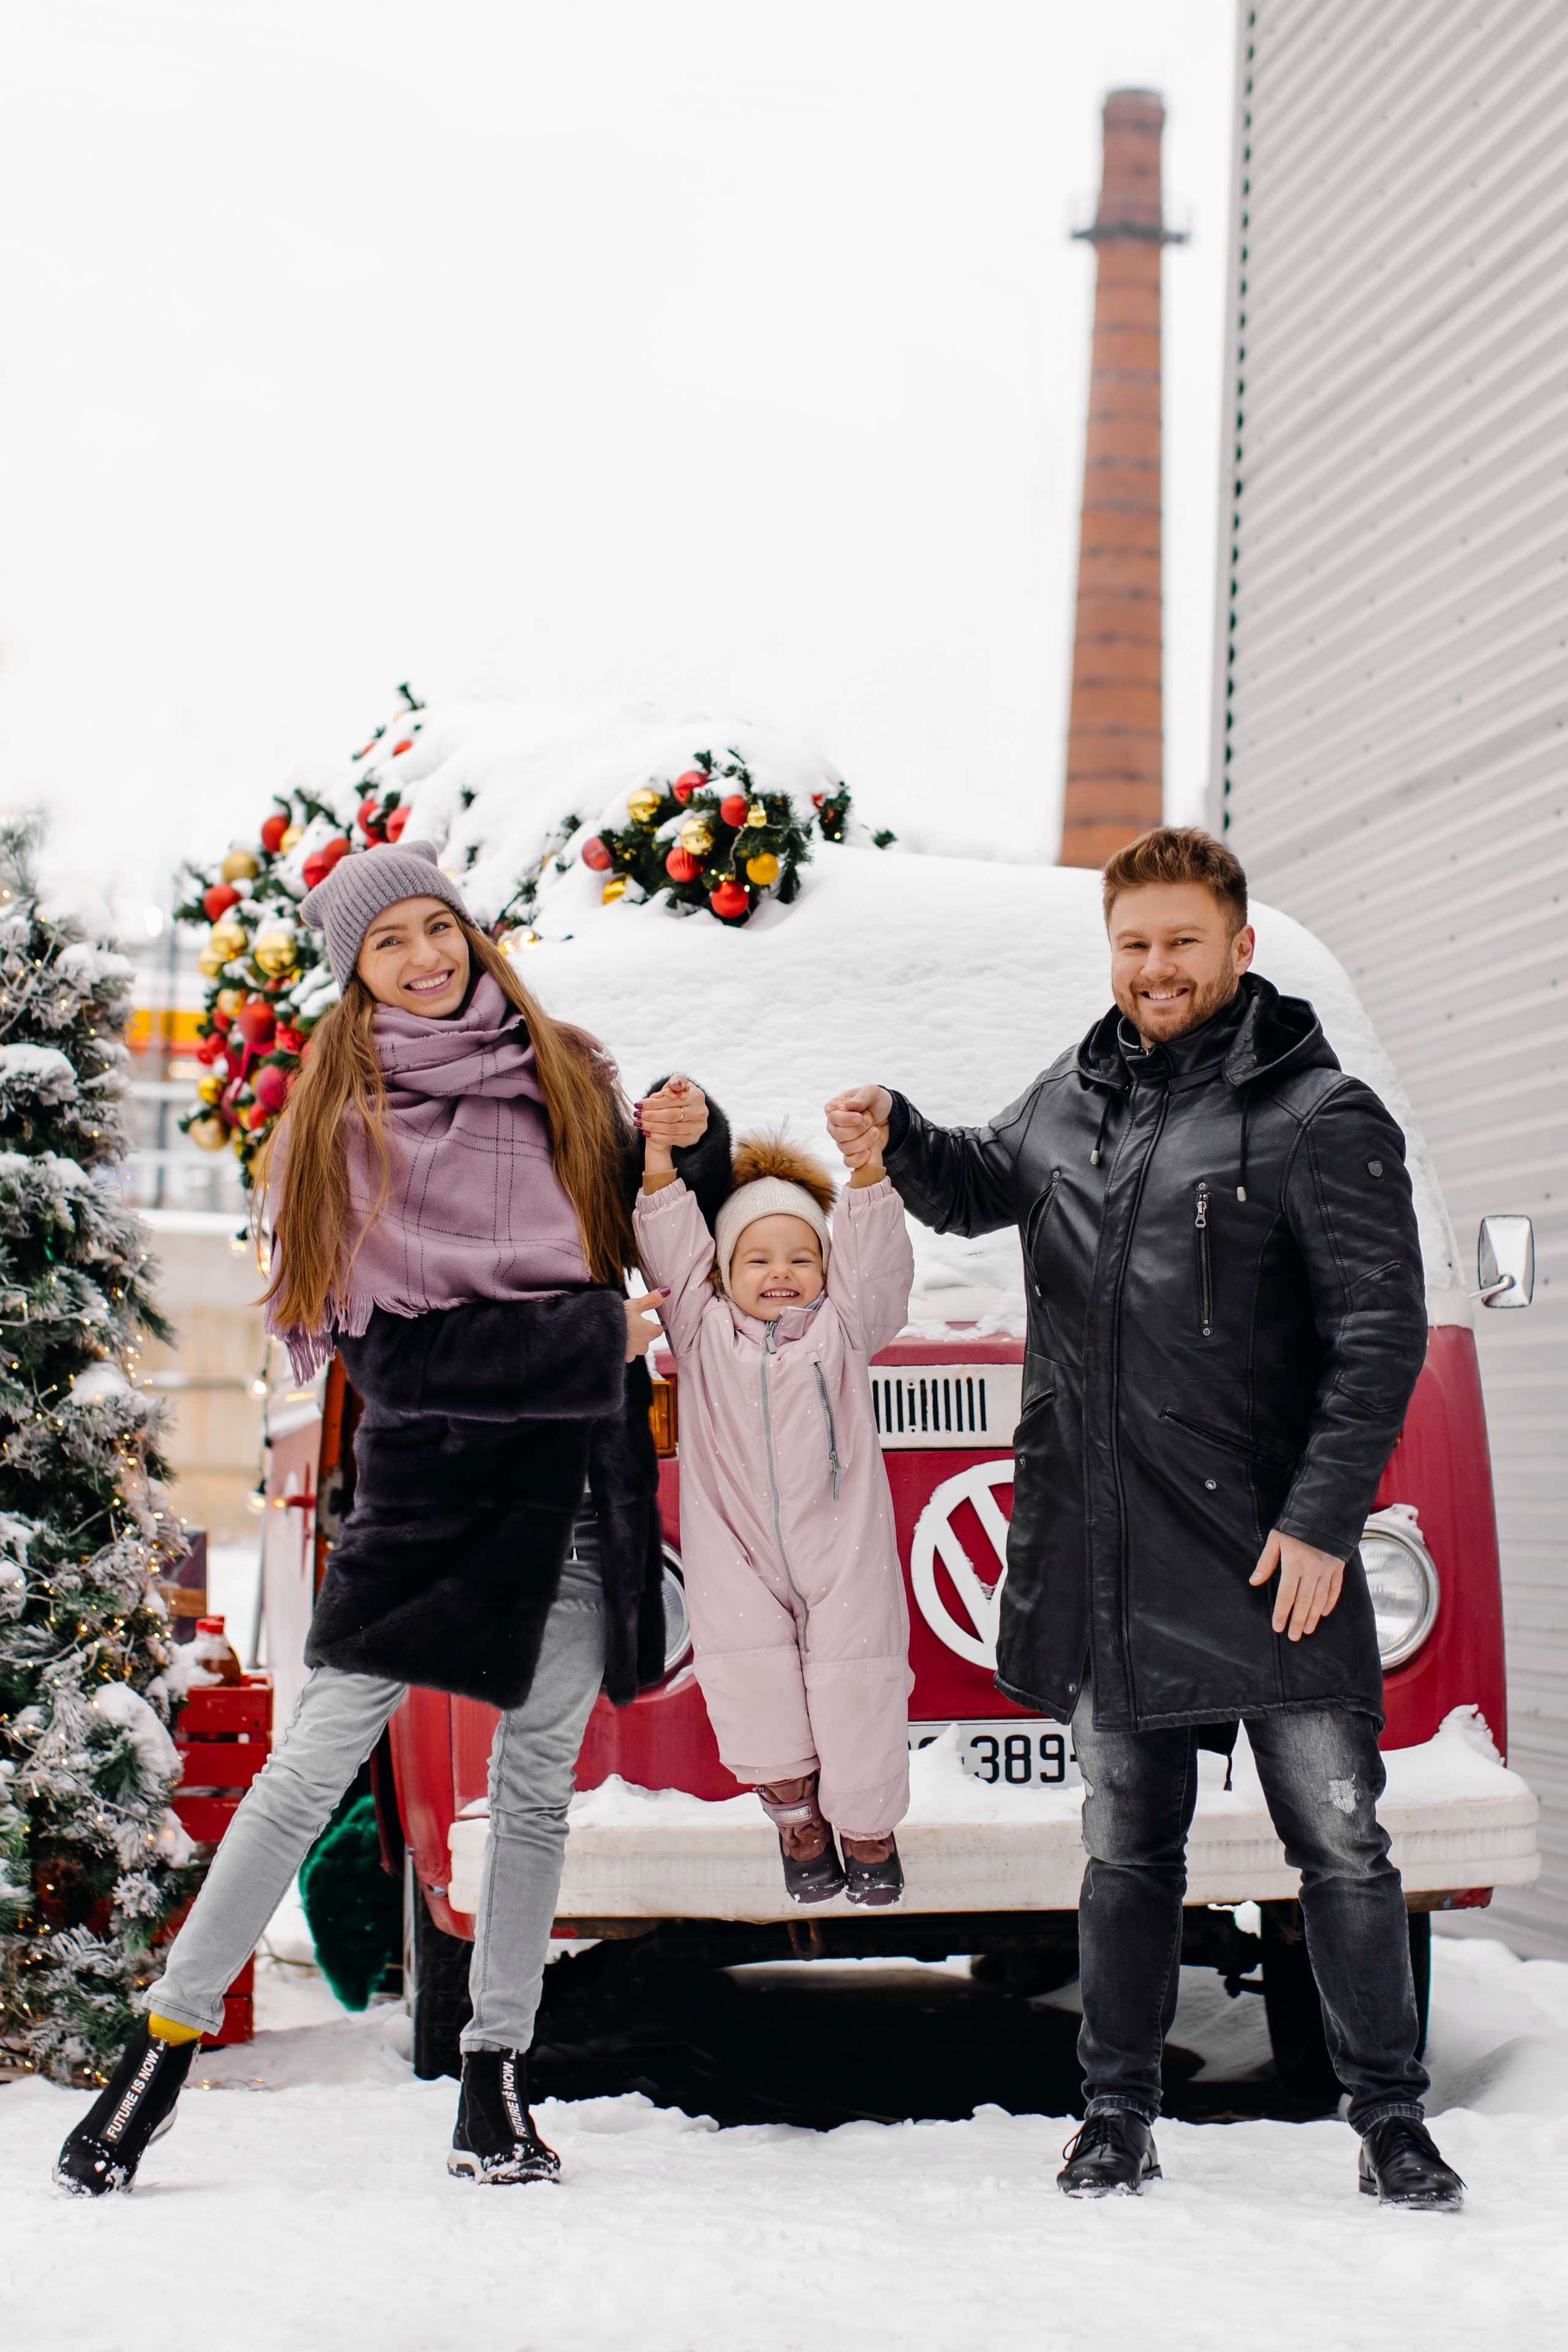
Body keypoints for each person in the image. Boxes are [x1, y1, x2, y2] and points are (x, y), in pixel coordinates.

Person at [54, 838, 724, 2196]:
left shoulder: (566, 1078)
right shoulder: (341, 1128)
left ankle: (496, 2081)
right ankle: (161, 2051)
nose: (426, 959)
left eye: (438, 928)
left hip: (573, 1497)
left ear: (470, 933)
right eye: (388, 943)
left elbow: (663, 1243)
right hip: (425, 1502)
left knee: (532, 1796)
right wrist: (585, 1339)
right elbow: (396, 1361)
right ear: (354, 974)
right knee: (305, 1776)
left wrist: (693, 1148)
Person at [825, 824, 1464, 2210]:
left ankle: (1390, 2121)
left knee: (1339, 1844)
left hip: (1269, 1552)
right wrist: (900, 1137)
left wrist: (1320, 1522)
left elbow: (1379, 1335)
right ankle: (1114, 2115)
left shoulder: (1320, 1114)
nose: (1155, 967)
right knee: (1125, 1850)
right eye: (1133, 943)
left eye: (1182, 941)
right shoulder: (1072, 1095)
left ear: (1239, 947)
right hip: (1110, 1548)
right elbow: (977, 1184)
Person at [633, 1077, 916, 1907]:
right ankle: (796, 1816)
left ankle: (867, 1829)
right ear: (724, 1272)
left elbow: (875, 1268)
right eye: (757, 1259)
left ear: (826, 1268)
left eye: (802, 1257)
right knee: (748, 1678)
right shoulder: (700, 1330)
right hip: (736, 1549)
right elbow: (669, 1242)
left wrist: (867, 1174)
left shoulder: (845, 1328)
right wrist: (658, 1158)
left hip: (842, 1547)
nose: (781, 1272)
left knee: (858, 1681)